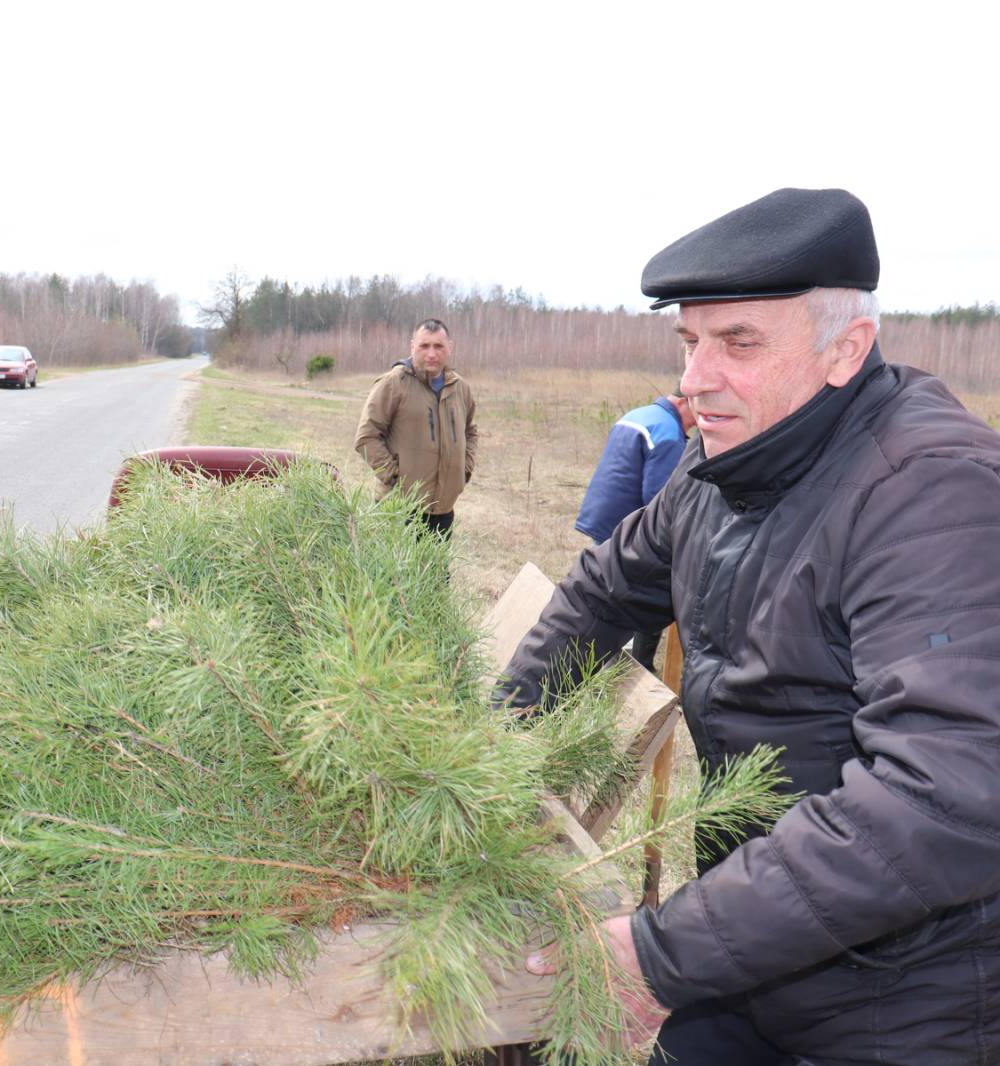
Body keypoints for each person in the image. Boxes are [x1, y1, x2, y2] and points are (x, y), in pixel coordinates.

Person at [502, 188, 1000, 1064]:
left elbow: (943, 795)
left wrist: (661, 955)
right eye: (690, 343)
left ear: (847, 349)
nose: (695, 383)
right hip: (756, 947)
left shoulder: (930, 493)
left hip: (909, 1001)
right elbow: (601, 593)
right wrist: (487, 750)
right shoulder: (715, 467)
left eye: (739, 344)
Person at [573, 390, 694, 668]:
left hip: (604, 519)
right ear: (683, 400)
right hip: (628, 529)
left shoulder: (638, 415)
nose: (697, 422)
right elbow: (660, 499)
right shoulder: (668, 432)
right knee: (641, 594)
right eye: (697, 410)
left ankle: (601, 656)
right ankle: (632, 664)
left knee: (604, 589)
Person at [354, 318, 478, 537]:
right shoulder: (394, 383)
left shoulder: (460, 388)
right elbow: (366, 437)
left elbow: (470, 432)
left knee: (436, 572)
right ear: (413, 346)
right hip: (398, 509)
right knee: (391, 572)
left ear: (450, 347)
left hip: (442, 510)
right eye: (424, 346)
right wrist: (395, 478)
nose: (431, 353)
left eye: (438, 346)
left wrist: (464, 470)